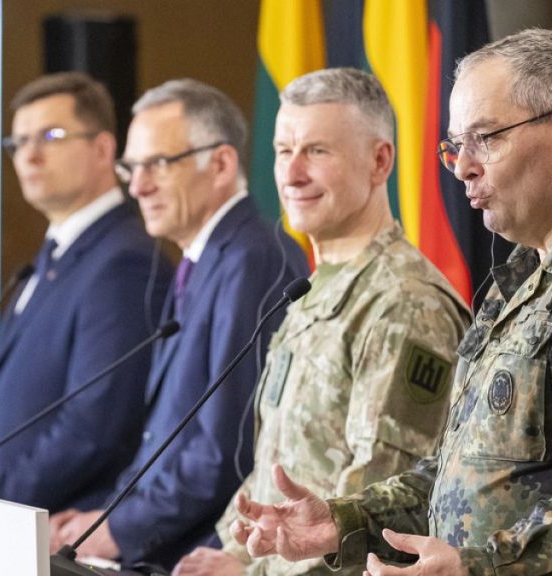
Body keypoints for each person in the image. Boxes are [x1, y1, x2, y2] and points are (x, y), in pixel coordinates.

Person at [230, 28, 552, 575]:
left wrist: (478, 568)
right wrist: (344, 521)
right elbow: (452, 469)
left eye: (485, 138)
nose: (462, 166)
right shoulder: (520, 271)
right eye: (454, 145)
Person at [172, 68, 471, 576]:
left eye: (317, 151)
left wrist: (247, 574)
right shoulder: (313, 290)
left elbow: (376, 521)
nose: (291, 175)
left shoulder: (403, 303)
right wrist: (232, 548)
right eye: (284, 151)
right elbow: (280, 467)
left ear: (380, 161)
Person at [47, 79, 310, 570]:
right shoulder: (202, 258)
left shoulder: (252, 260)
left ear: (222, 164)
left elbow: (226, 451)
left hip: (203, 556)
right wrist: (101, 516)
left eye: (157, 165)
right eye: (132, 166)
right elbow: (167, 442)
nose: (137, 185)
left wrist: (116, 530)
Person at [0, 72, 171, 513]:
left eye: (51, 136)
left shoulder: (122, 262)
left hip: (60, 532)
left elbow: (95, 424)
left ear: (103, 149)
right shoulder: (53, 256)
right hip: (8, 520)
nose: (29, 156)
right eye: (17, 143)